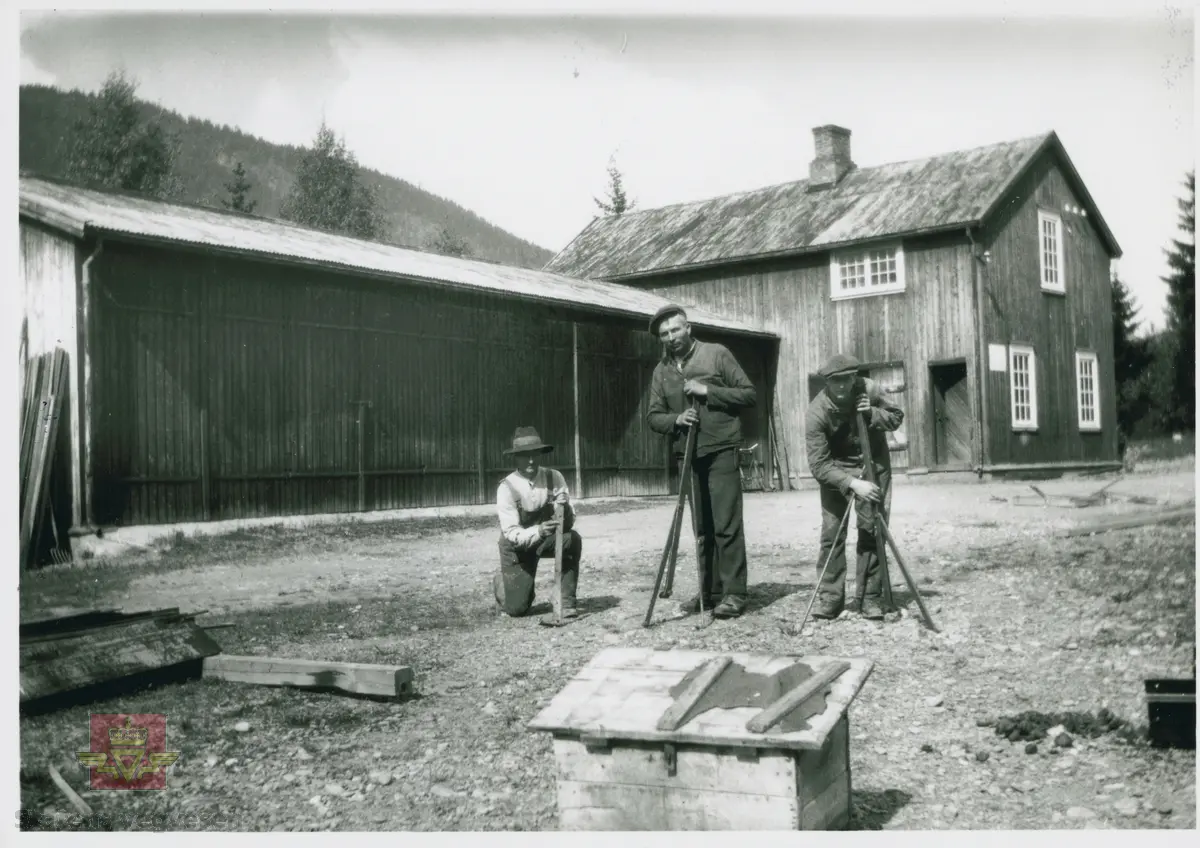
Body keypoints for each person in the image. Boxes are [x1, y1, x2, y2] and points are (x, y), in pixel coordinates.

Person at [646, 304, 757, 619]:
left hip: (721, 448)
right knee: (702, 528)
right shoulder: (662, 370)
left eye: (675, 330)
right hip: (688, 456)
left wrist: (708, 391)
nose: (671, 337)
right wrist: (677, 419)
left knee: (726, 525)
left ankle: (734, 594)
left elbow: (748, 394)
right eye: (665, 334)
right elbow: (654, 417)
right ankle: (709, 593)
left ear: (688, 328)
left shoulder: (716, 354)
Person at [805, 353, 905, 621]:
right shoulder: (817, 411)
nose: (841, 386)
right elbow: (818, 465)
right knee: (832, 535)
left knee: (872, 530)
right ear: (827, 382)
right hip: (835, 471)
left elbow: (896, 416)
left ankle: (870, 597)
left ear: (854, 378)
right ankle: (830, 598)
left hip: (874, 465)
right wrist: (852, 484)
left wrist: (871, 413)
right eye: (835, 381)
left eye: (846, 380)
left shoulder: (869, 390)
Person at [493, 426, 582, 619]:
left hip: (546, 540)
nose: (531, 460)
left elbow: (570, 520)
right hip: (517, 549)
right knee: (517, 609)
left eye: (534, 454)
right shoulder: (506, 487)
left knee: (571, 539)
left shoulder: (554, 477)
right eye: (525, 456)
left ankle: (564, 599)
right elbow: (511, 533)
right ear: (515, 457)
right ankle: (504, 585)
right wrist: (539, 530)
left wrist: (564, 509)